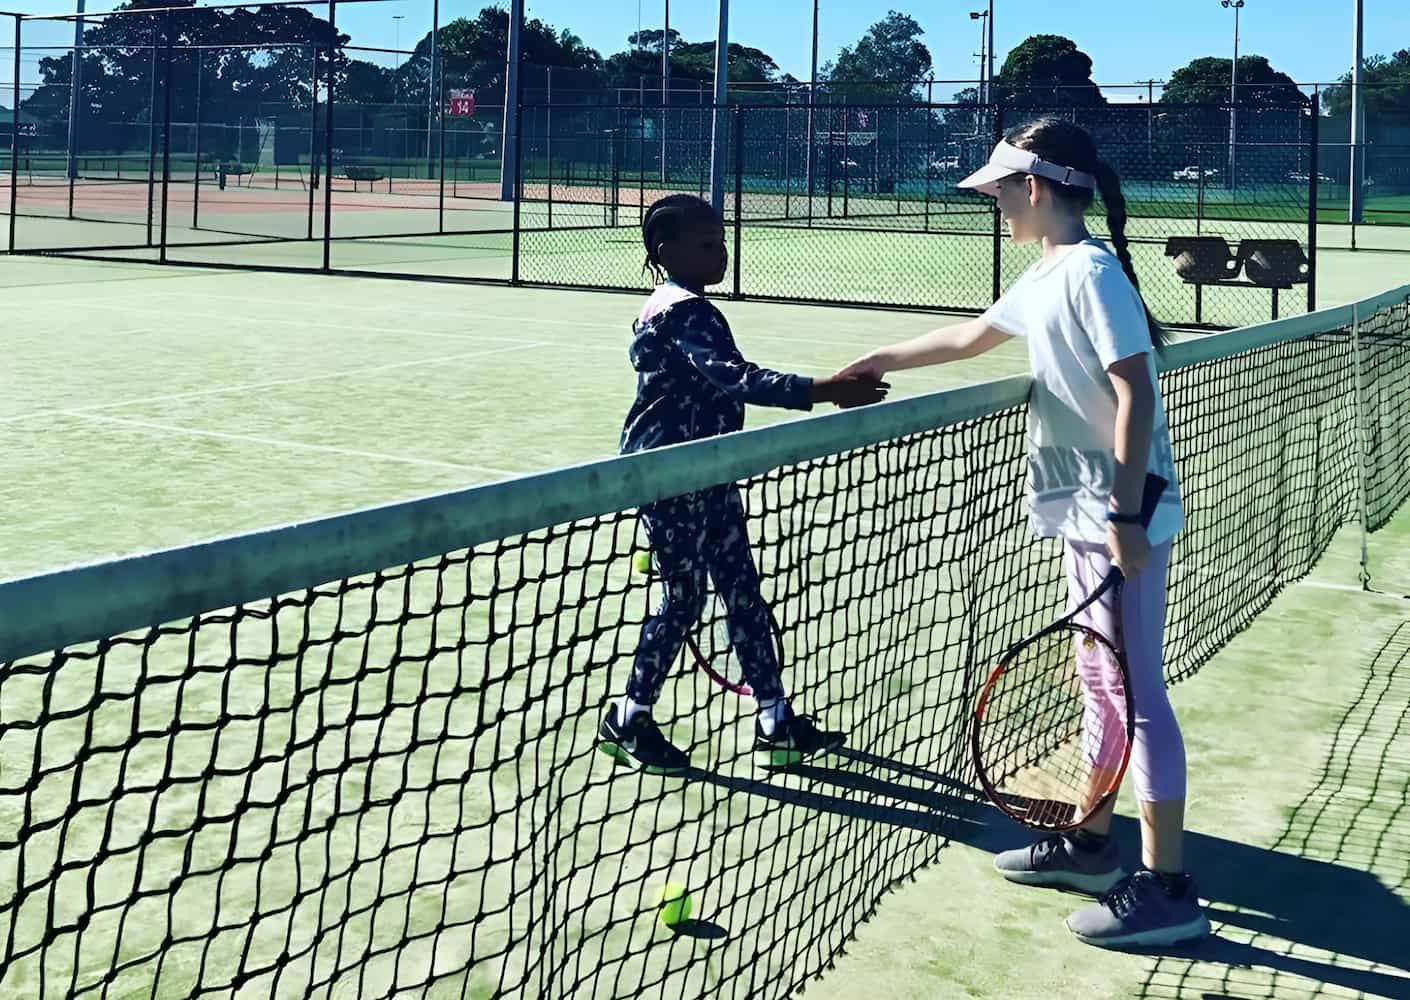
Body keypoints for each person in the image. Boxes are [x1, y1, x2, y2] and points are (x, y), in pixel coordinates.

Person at [837, 120, 1211, 948]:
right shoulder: (1048, 271)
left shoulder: (1093, 273)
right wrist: (880, 358)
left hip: (1124, 517)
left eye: (1002, 191)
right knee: (1103, 687)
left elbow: (1136, 393)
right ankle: (1088, 846)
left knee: (1139, 695)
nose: (995, 204)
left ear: (1034, 189)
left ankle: (1169, 888)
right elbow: (971, 336)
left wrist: (1121, 516)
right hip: (1087, 514)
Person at [598, 194, 889, 776]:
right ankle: (628, 719)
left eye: (721, 239)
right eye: (705, 244)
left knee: (742, 593)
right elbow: (735, 378)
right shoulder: (684, 311)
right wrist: (826, 388)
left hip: (709, 471)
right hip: (670, 475)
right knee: (684, 600)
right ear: (666, 252)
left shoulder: (681, 307)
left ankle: (775, 723)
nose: (720, 252)